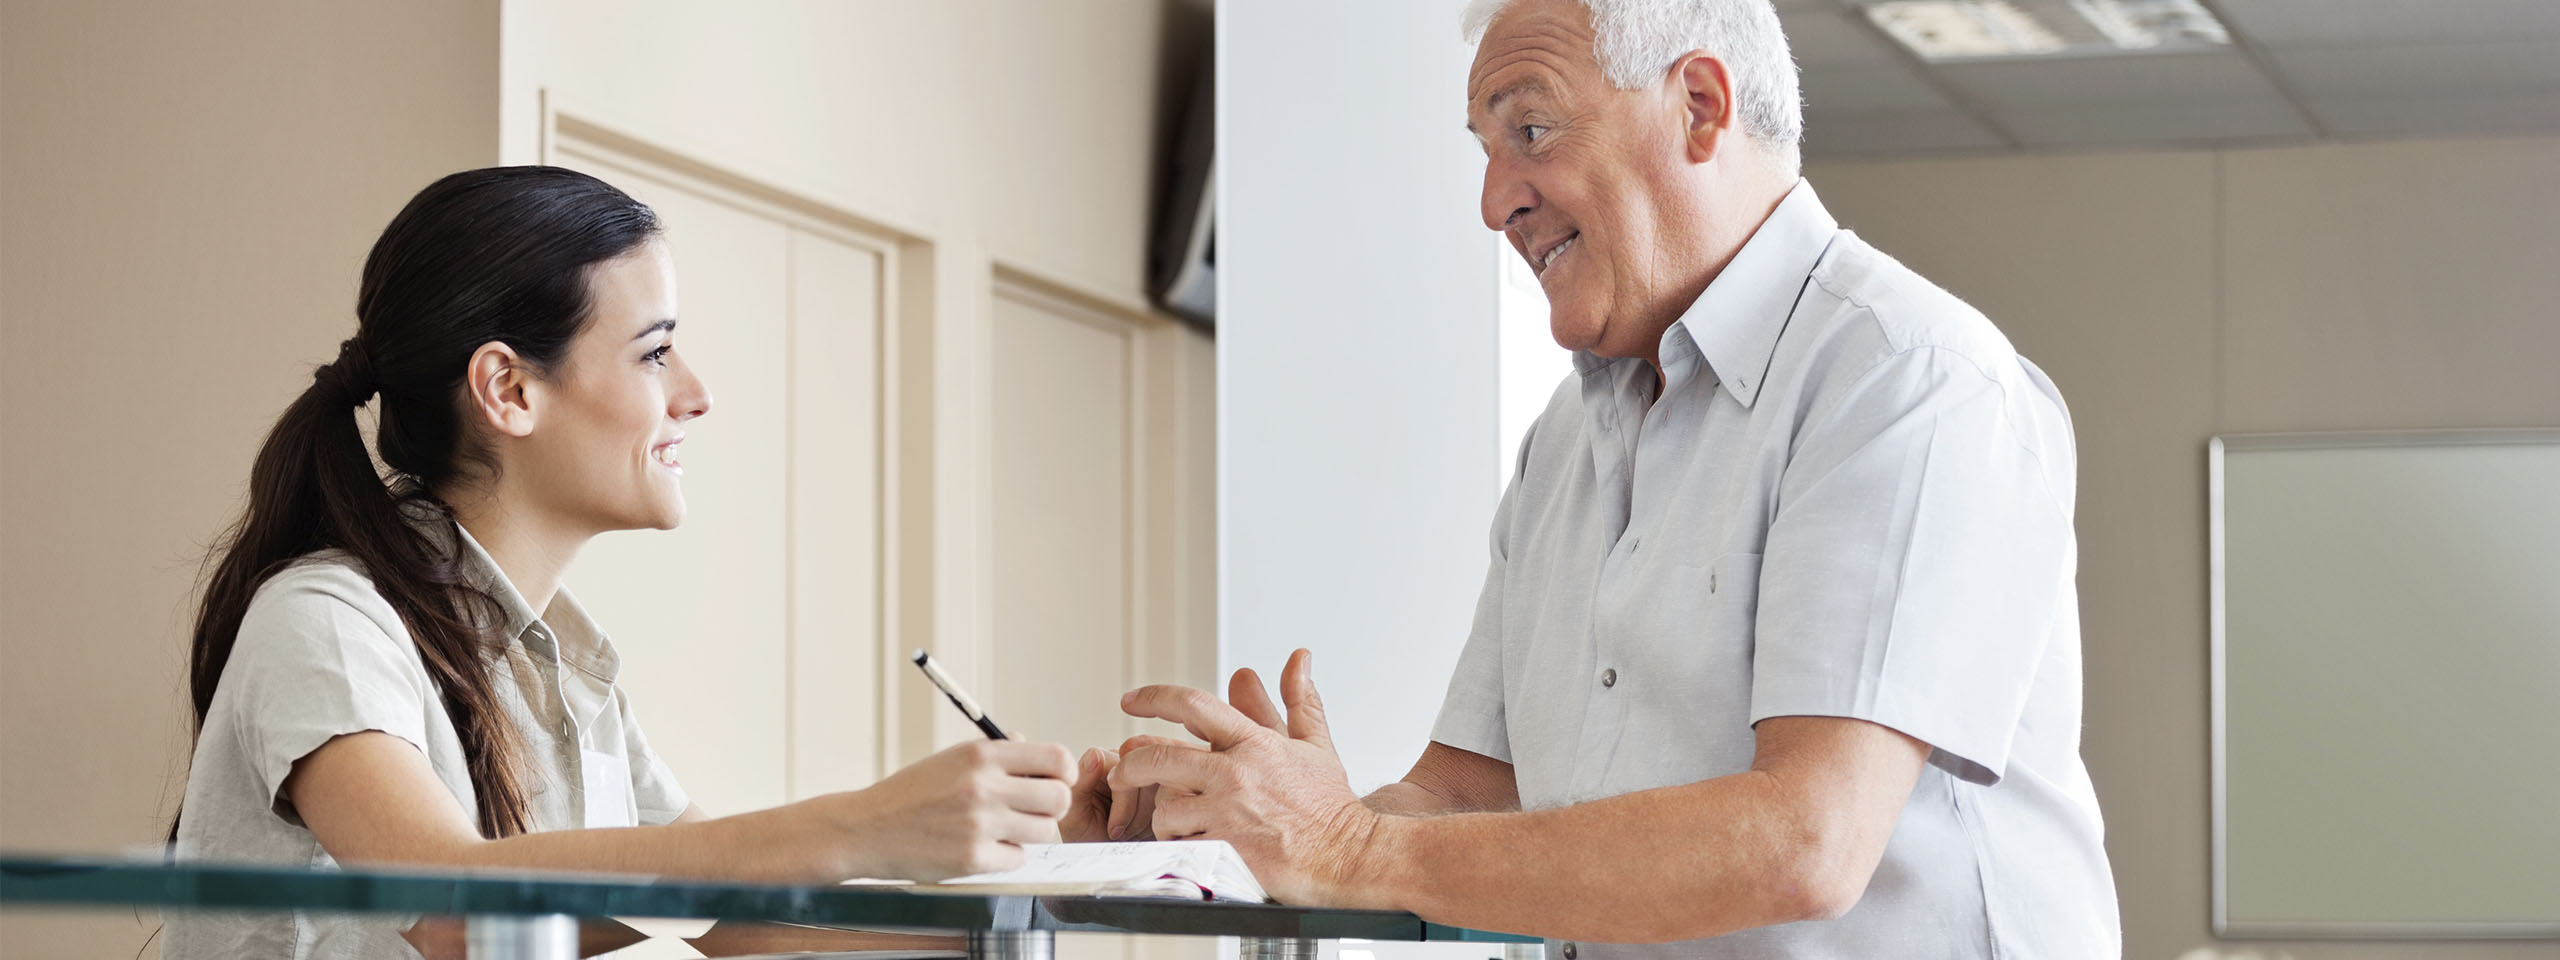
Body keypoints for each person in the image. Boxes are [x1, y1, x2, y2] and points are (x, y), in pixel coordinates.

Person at [1103, 0, 2121, 957]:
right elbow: (1462, 795)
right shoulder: (1564, 441)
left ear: (1700, 108)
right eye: (1486, 150)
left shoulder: (1907, 377)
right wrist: (1231, 824)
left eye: (1532, 133)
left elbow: (1806, 841)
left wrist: (1347, 848)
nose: (1495, 200)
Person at [166, 167, 1125, 959]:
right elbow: (449, 909)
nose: (697, 395)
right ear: (508, 387)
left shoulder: (568, 671)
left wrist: (1058, 870)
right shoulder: (325, 621)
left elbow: (738, 925)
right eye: (656, 353)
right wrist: (859, 825)